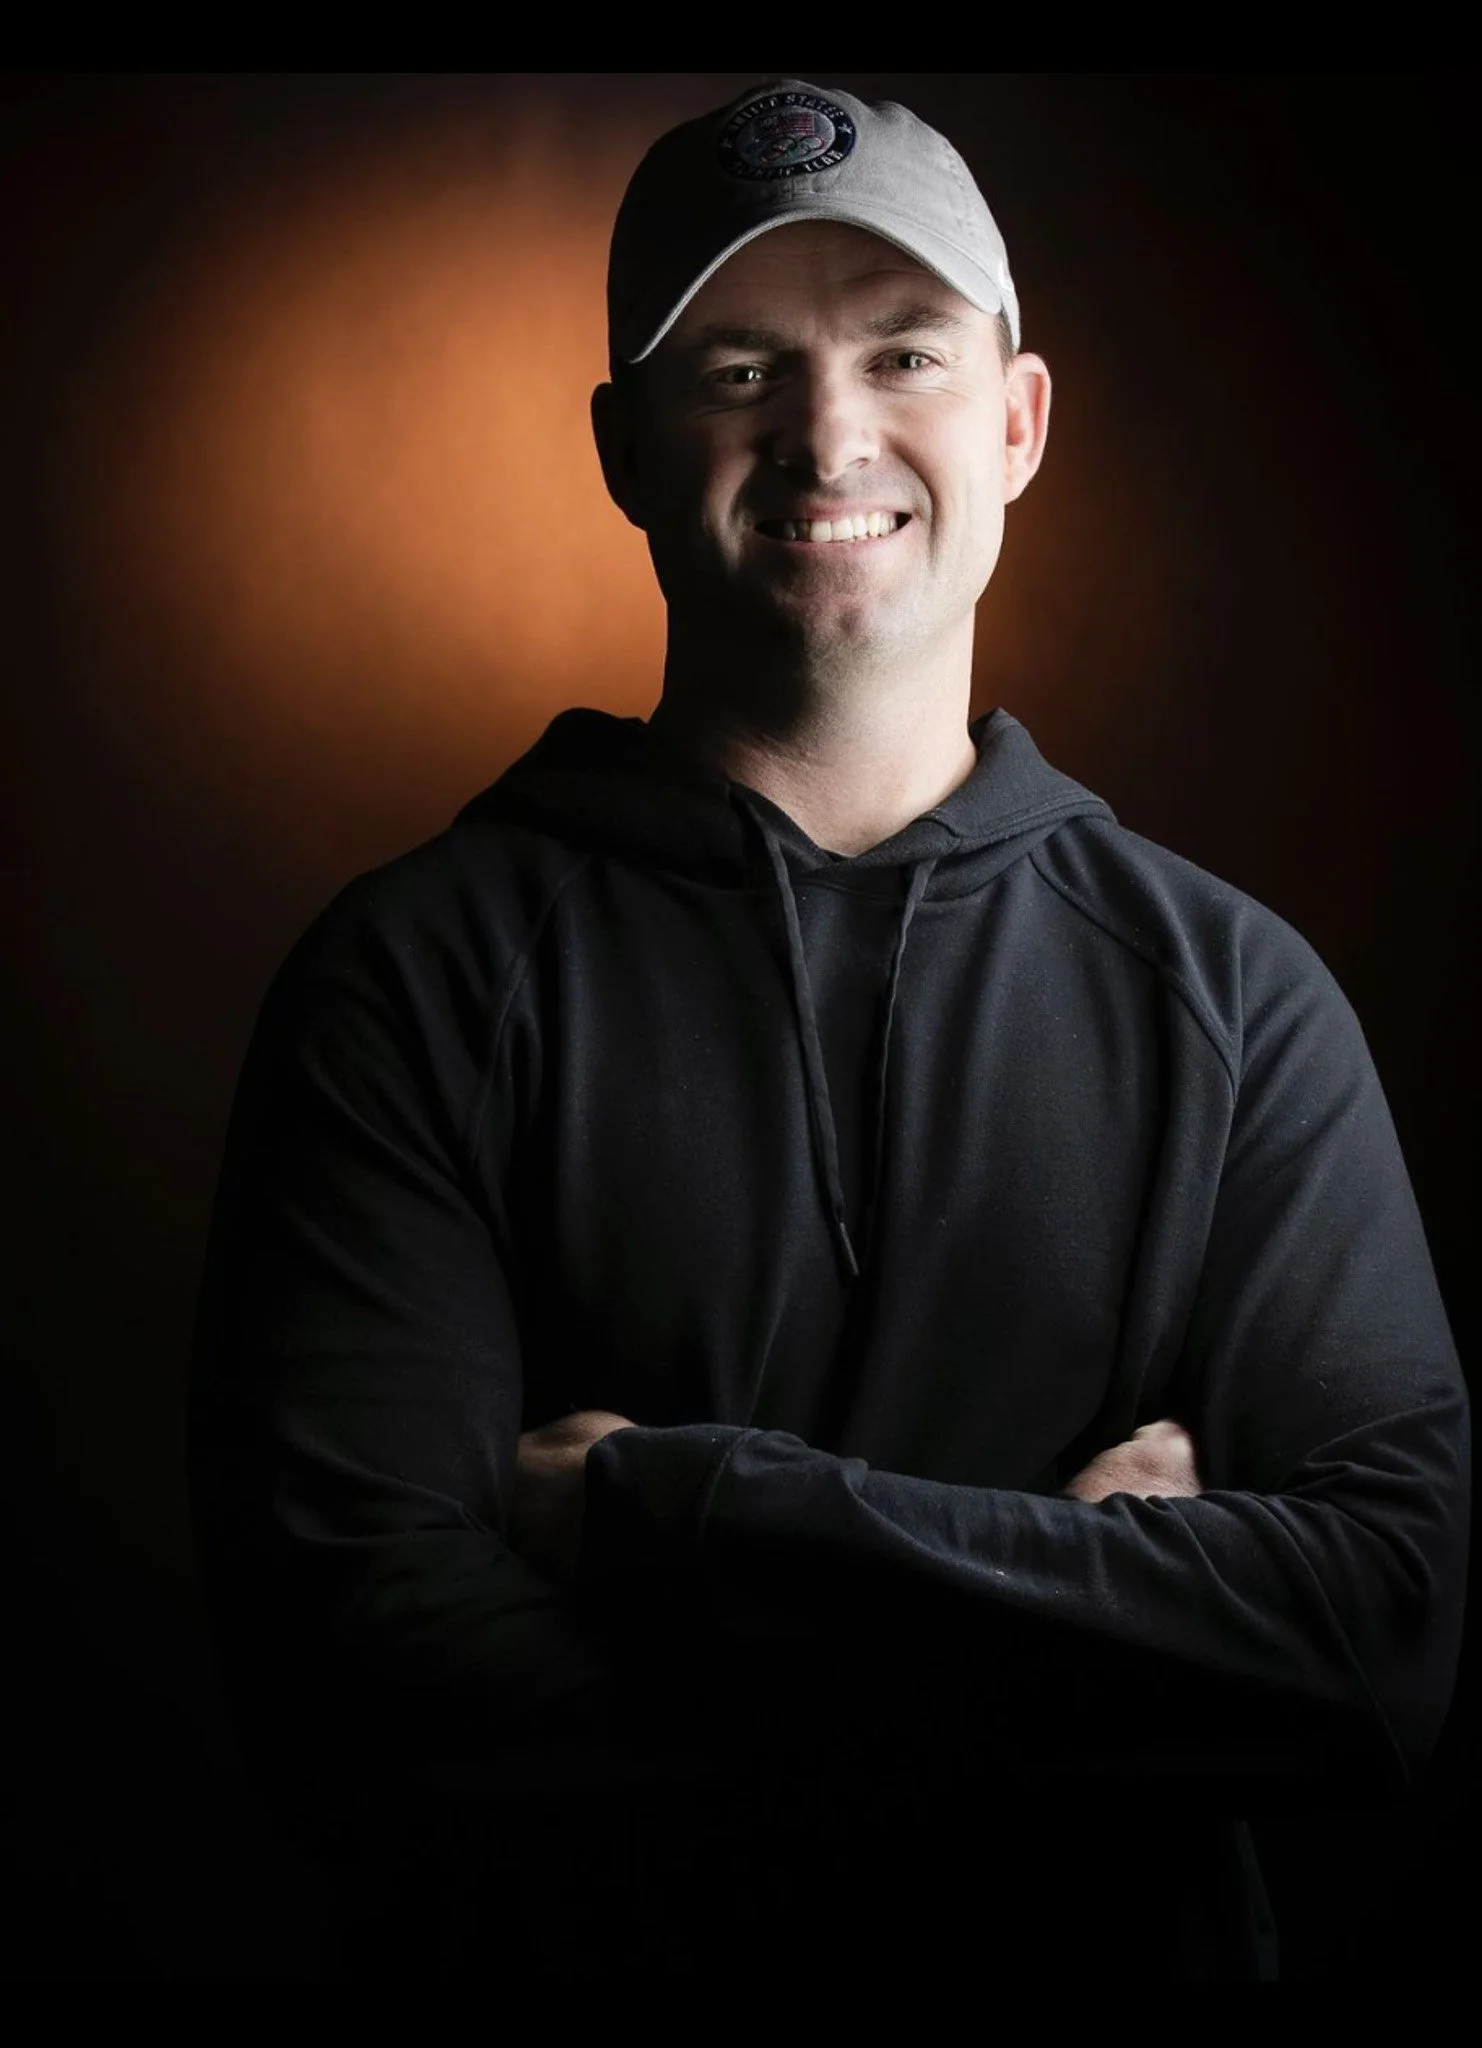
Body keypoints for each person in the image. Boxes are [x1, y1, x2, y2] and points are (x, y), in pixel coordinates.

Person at [189, 80, 1469, 1983]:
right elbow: (369, 1699)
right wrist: (1094, 1638)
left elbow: (1370, 1649)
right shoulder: (416, 981)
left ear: (1016, 423)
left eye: (904, 352)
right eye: (732, 370)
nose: (825, 435)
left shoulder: (1232, 996)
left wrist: (676, 1512)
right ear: (624, 448)